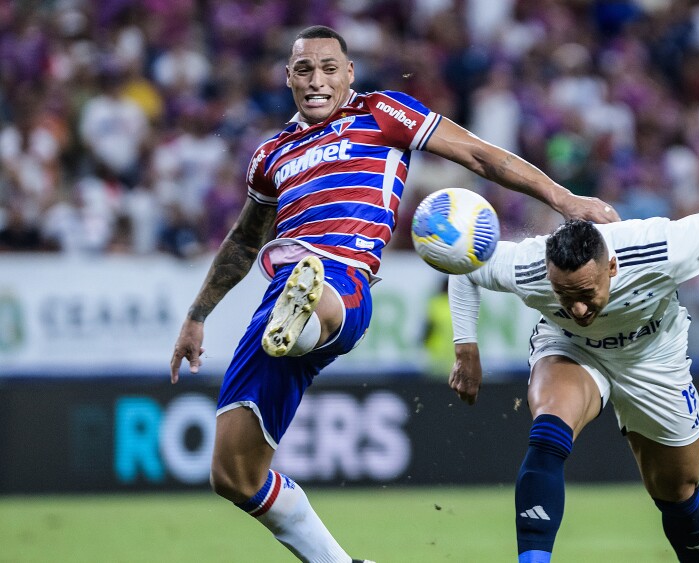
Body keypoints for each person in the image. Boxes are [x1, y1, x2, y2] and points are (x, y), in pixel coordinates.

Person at [168, 25, 618, 563]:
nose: (317, 80)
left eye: (329, 68)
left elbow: (479, 156)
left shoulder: (382, 112)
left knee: (313, 286)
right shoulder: (271, 154)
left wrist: (563, 199)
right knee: (233, 475)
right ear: (288, 77)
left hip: (344, 278)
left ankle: (306, 312)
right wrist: (197, 316)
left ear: (349, 73)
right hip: (276, 305)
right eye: (304, 70)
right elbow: (244, 240)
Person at [447, 209, 699, 563]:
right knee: (548, 433)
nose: (578, 309)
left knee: (677, 492)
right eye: (565, 296)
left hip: (654, 357)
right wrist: (465, 347)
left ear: (611, 266)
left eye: (586, 293)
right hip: (573, 348)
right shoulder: (527, 266)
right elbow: (464, 265)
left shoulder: (660, 247)